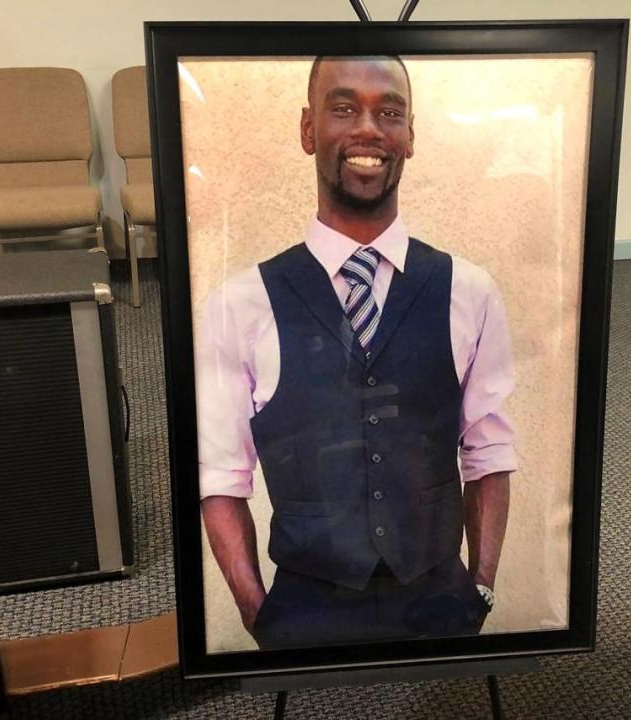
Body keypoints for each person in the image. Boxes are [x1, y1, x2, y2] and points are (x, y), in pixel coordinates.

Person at [196, 55, 517, 649]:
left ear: (411, 137)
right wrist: (256, 612)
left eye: (389, 112)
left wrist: (482, 587)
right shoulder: (238, 304)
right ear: (307, 129)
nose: (369, 129)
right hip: (304, 600)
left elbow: (489, 451)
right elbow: (221, 476)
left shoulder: (471, 291)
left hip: (440, 594)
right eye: (344, 108)